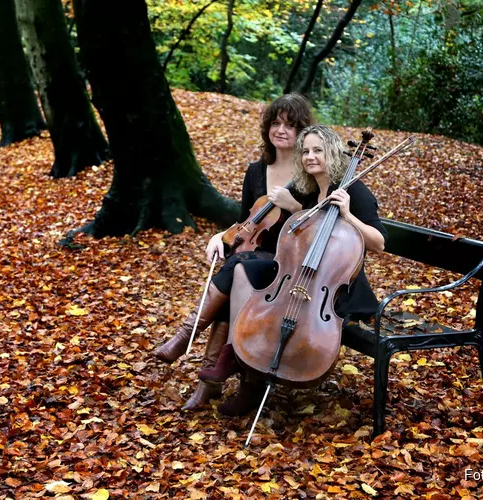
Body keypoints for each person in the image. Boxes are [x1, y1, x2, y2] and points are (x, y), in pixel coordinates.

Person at [201, 125, 388, 416]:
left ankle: (249, 384)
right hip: (301, 275)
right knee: (242, 268)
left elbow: (379, 243)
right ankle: (236, 353)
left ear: (333, 153)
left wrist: (348, 214)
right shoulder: (314, 189)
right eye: (306, 151)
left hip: (336, 289)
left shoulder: (354, 190)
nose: (310, 157)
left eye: (318, 150)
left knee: (247, 267)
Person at [152, 94, 314, 410]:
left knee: (236, 267)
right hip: (250, 255)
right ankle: (208, 383)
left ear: (302, 132)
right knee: (235, 271)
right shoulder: (256, 171)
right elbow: (243, 219)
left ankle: (187, 338)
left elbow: (314, 228)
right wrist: (218, 236)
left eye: (290, 125)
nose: (281, 130)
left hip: (284, 263)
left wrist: (293, 206)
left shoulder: (308, 175)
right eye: (276, 123)